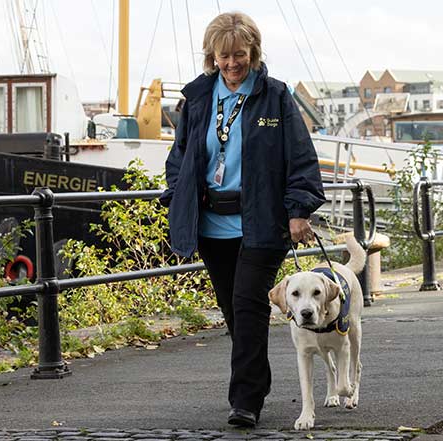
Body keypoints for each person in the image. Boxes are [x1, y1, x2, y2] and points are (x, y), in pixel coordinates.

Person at [160, 12, 325, 428]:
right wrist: (176, 195)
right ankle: (256, 380)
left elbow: (301, 159)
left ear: (253, 53)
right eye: (224, 56)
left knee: (249, 306)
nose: (232, 64)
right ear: (211, 57)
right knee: (233, 311)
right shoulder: (198, 98)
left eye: (240, 55)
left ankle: (246, 401)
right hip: (213, 225)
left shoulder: (275, 96)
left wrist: (298, 210)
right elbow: (180, 156)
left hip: (261, 223)